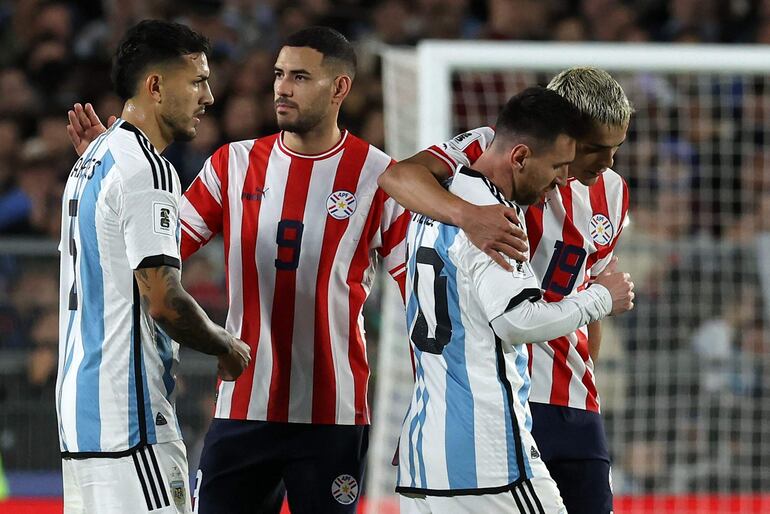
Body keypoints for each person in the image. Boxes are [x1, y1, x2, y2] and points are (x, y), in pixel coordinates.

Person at [67, 25, 530, 514]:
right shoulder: (233, 164)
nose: (282, 87)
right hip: (242, 408)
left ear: (339, 89)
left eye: (301, 77)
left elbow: (417, 295)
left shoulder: (379, 177)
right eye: (279, 74)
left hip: (333, 415)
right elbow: (157, 249)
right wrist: (117, 169)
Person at [379, 67, 633, 514]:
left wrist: (589, 361)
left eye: (617, 149)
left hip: (570, 397)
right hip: (496, 394)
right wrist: (466, 215)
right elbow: (398, 178)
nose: (607, 162)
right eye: (595, 148)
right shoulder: (486, 152)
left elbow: (590, 283)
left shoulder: (612, 193)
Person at [57, 20, 250, 514]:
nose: (208, 97)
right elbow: (163, 300)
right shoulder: (148, 168)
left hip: (82, 420)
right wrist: (225, 345)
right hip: (130, 423)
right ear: (156, 86)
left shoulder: (93, 158)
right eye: (197, 81)